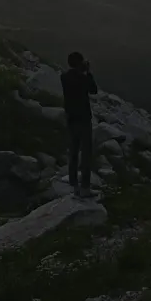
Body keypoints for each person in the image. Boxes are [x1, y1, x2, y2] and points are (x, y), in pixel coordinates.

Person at [60, 51, 98, 196]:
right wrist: (88, 72)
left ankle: (73, 182)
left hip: (71, 119)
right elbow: (93, 90)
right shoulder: (83, 78)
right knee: (86, 153)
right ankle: (85, 187)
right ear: (80, 63)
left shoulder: (63, 77)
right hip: (83, 119)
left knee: (74, 152)